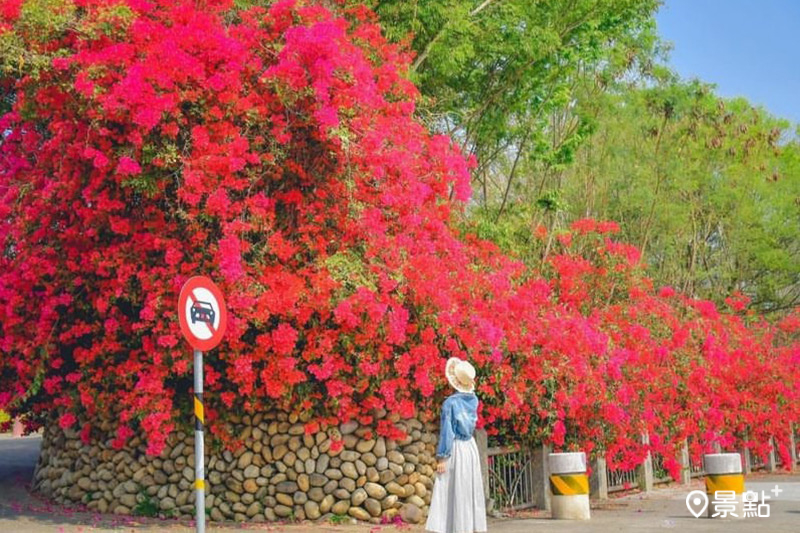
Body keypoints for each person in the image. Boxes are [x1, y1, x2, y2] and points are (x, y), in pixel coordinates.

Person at [425, 357, 487, 533]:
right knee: (467, 488)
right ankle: (467, 526)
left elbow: (447, 432)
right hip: (470, 447)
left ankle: (454, 527)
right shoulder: (474, 400)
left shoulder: (450, 403)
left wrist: (442, 457)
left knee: (451, 488)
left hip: (457, 447)